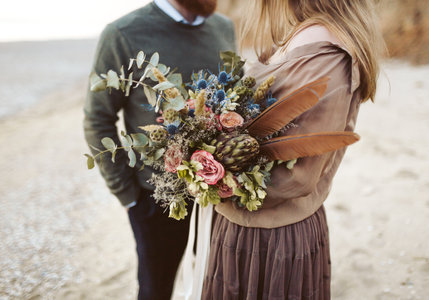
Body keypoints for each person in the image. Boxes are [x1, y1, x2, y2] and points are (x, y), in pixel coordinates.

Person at [201, 0, 384, 299]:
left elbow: (298, 174)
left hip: (268, 239)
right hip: (250, 225)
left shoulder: (325, 52)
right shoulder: (303, 35)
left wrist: (207, 178)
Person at [83, 0, 235, 299]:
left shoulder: (224, 27)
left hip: (221, 195)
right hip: (156, 199)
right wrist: (129, 197)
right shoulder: (123, 33)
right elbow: (97, 119)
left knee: (216, 286)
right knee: (156, 290)